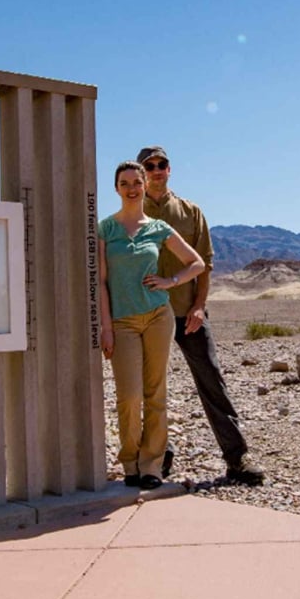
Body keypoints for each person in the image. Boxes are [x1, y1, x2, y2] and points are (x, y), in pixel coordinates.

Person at [136, 146, 266, 485]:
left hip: (187, 314)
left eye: (161, 164)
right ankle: (159, 454)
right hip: (148, 315)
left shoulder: (191, 212)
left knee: (212, 382)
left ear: (169, 169)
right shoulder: (133, 213)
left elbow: (204, 264)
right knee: (151, 387)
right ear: (141, 171)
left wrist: (198, 307)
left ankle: (237, 458)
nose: (156, 170)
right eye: (149, 166)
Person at [99, 161, 205, 490]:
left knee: (155, 393)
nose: (131, 188)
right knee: (129, 396)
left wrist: (170, 280)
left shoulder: (157, 228)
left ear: (145, 186)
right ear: (116, 188)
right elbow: (100, 282)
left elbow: (197, 263)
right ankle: (129, 461)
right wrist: (106, 326)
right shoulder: (106, 229)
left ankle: (151, 466)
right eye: (124, 183)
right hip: (122, 322)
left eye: (136, 182)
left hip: (158, 317)